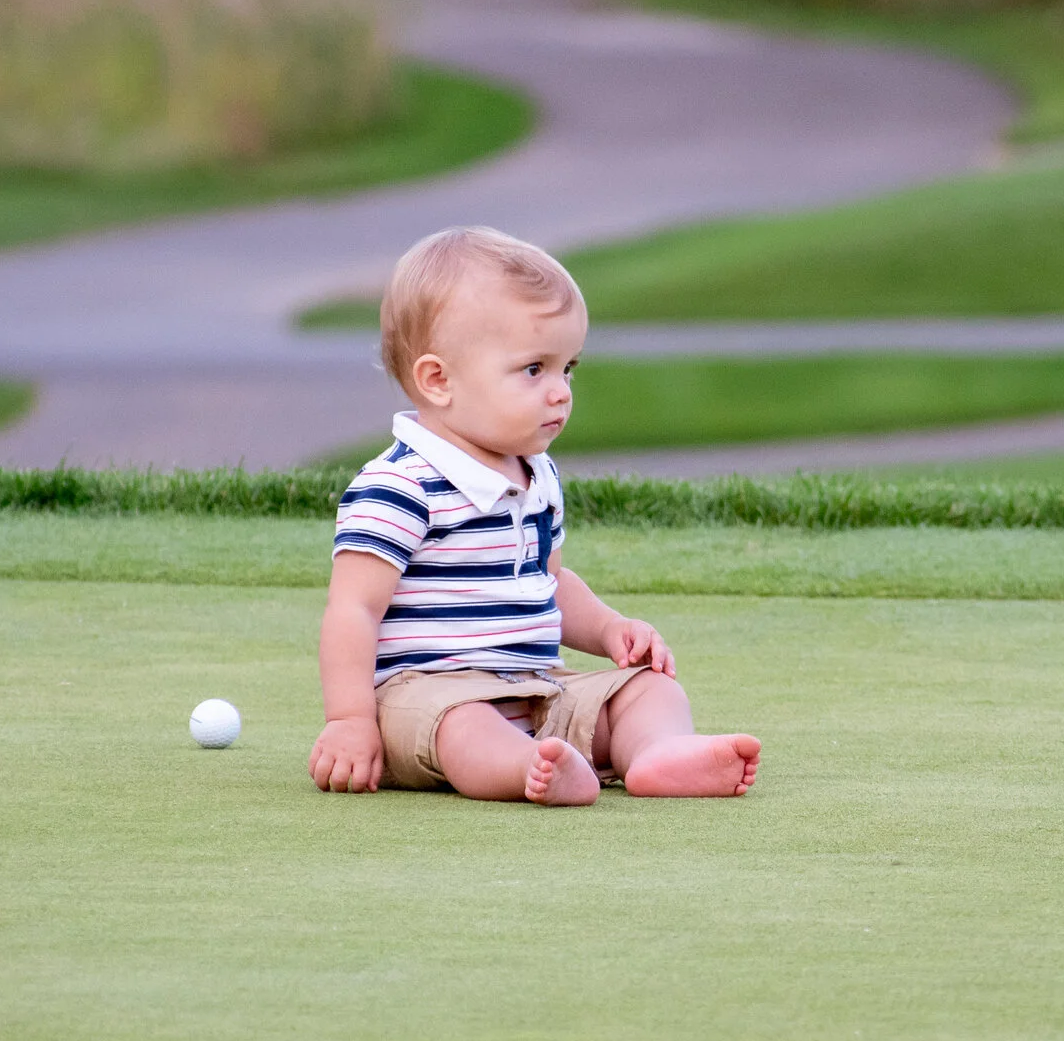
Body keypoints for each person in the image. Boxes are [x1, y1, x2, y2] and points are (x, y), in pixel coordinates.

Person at [309, 226, 761, 805]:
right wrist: (349, 720)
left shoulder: (537, 475)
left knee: (651, 690)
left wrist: (609, 629)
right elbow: (353, 609)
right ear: (438, 380)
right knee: (464, 729)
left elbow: (548, 583)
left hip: (535, 690)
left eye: (568, 368)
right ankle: (527, 769)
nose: (561, 392)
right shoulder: (399, 485)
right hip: (425, 697)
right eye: (534, 370)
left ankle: (654, 755)